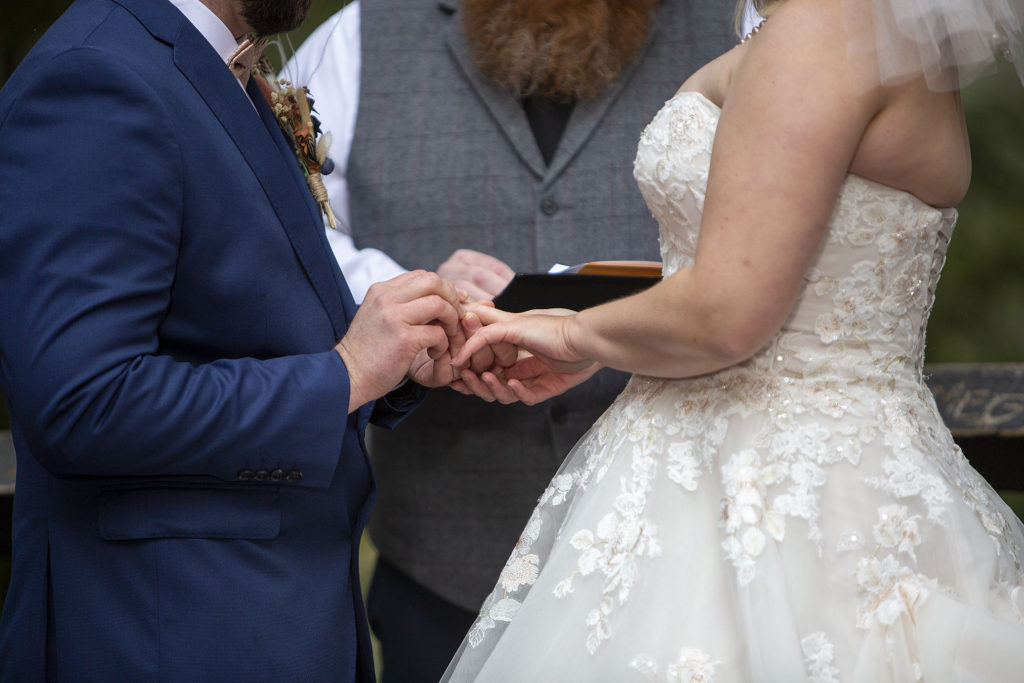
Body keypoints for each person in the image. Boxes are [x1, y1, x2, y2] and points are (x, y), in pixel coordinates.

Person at [443, 0, 1024, 678]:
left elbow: (726, 314)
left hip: (776, 496)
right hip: (818, 464)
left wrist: (575, 332)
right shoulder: (872, 31)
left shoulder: (825, 26)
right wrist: (624, 343)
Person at [0, 0, 496, 679]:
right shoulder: (96, 77)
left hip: (271, 617)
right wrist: (344, 374)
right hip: (164, 633)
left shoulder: (213, 61)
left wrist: (399, 357)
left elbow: (242, 315)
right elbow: (83, 401)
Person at [285, 2, 738, 678]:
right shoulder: (360, 36)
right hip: (442, 574)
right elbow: (282, 229)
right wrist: (409, 291)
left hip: (689, 571)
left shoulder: (737, 28)